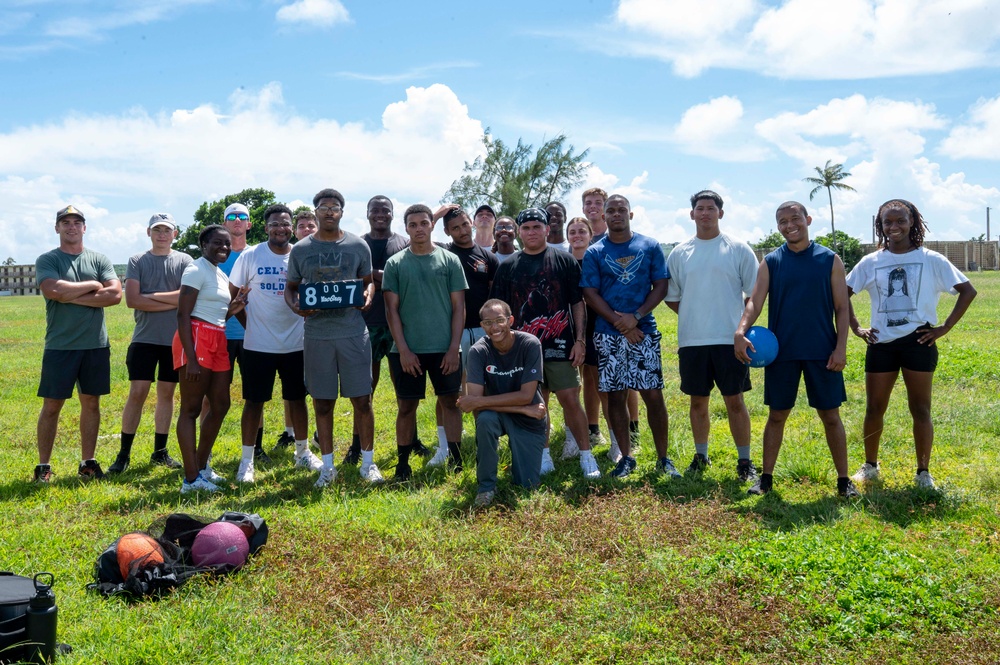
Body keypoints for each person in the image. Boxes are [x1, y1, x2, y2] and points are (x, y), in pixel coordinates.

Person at [847, 199, 976, 489]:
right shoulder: (872, 262)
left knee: (920, 409)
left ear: (913, 222)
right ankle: (870, 466)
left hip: (918, 341)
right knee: (873, 409)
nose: (894, 227)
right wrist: (856, 327)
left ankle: (923, 472)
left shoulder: (931, 259)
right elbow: (841, 295)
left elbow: (968, 291)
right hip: (881, 344)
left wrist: (944, 327)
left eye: (900, 221)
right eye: (887, 222)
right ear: (880, 226)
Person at [734, 201, 859, 498]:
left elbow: (842, 308)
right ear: (777, 226)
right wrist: (740, 330)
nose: (789, 225)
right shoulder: (772, 262)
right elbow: (755, 301)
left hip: (822, 351)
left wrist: (840, 348)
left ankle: (844, 481)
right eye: (782, 221)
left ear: (808, 220)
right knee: (777, 415)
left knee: (831, 416)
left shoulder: (830, 260)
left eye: (795, 219)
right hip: (782, 352)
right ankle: (765, 479)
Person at [492, 207, 600, 479]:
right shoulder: (508, 267)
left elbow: (577, 303)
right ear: (519, 232)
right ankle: (544, 454)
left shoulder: (564, 261)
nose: (531, 232)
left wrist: (579, 341)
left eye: (536, 227)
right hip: (524, 350)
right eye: (526, 227)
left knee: (570, 399)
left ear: (547, 230)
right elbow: (499, 311)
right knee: (538, 404)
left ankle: (587, 456)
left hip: (560, 344)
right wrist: (504, 347)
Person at [285, 188, 378, 486]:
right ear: (315, 212)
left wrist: (367, 297)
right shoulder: (300, 250)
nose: (328, 211)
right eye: (323, 207)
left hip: (352, 332)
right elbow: (291, 288)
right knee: (322, 403)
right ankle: (328, 467)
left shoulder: (358, 245)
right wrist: (296, 307)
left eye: (334, 207)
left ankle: (368, 463)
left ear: (341, 211)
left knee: (362, 400)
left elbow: (368, 283)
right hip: (317, 334)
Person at [665, 191, 759, 482]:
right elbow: (672, 297)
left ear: (721, 213)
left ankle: (744, 461)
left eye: (711, 208)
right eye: (699, 209)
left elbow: (754, 295)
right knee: (697, 402)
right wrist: (696, 314)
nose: (705, 213)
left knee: (735, 401)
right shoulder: (680, 253)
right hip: (692, 342)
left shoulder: (738, 249)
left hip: (730, 341)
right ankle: (700, 455)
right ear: (692, 214)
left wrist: (739, 329)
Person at [581, 194, 676, 479]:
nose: (617, 214)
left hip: (644, 331)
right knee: (614, 396)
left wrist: (635, 317)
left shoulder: (649, 246)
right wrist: (619, 321)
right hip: (608, 335)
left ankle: (663, 458)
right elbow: (589, 293)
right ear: (604, 217)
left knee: (653, 394)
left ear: (631, 215)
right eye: (611, 210)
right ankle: (626, 457)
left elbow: (660, 284)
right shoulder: (595, 252)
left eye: (622, 209)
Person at [229, 204, 323, 484]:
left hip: (296, 343)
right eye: (274, 224)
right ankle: (247, 461)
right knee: (254, 402)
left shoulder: (301, 254)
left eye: (285, 224)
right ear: (265, 227)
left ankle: (303, 452)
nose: (280, 228)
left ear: (292, 226)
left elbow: (311, 294)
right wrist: (251, 327)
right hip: (258, 345)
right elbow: (235, 298)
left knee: (297, 400)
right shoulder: (251, 254)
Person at [34, 205, 122, 483]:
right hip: (60, 346)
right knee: (51, 406)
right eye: (65, 222)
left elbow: (115, 295)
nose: (71, 227)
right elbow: (52, 289)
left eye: (77, 222)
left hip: (95, 345)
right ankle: (43, 466)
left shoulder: (99, 258)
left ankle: (87, 462)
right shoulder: (48, 259)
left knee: (91, 403)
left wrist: (70, 295)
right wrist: (93, 285)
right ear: (57, 227)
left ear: (85, 227)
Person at [383, 204, 467, 480]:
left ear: (432, 225)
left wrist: (454, 348)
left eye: (423, 223)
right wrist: (404, 350)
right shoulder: (395, 263)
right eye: (413, 225)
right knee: (407, 406)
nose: (419, 229)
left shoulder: (450, 260)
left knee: (450, 402)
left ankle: (456, 460)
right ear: (406, 229)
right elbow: (391, 311)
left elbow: (459, 308)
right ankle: (403, 463)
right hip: (407, 351)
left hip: (444, 349)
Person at [335, 195, 420, 466]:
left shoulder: (404, 243)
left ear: (393, 214)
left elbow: (408, 276)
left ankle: (413, 440)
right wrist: (379, 277)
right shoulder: (358, 244)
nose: (380, 214)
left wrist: (372, 276)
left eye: (385, 210)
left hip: (399, 324)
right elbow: (351, 278)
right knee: (364, 389)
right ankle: (357, 445)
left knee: (404, 388)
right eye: (375, 210)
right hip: (365, 323)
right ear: (368, 213)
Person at [108, 212, 192, 475]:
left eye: (167, 230)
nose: (162, 234)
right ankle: (123, 454)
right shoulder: (137, 260)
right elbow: (132, 300)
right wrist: (169, 299)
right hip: (144, 339)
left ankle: (160, 451)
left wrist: (150, 296)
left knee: (166, 395)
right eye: (157, 230)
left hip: (174, 340)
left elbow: (186, 298)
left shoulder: (184, 260)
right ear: (149, 233)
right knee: (138, 393)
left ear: (175, 234)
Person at [173, 225, 248, 493]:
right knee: (191, 409)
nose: (224, 248)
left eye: (227, 244)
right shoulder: (195, 269)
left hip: (218, 337)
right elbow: (183, 314)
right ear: (204, 244)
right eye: (218, 243)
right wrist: (191, 358)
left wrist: (233, 309)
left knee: (221, 404)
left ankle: (202, 466)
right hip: (196, 338)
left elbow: (217, 314)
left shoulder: (217, 272)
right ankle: (191, 479)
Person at [458, 299, 549, 507]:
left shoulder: (530, 343)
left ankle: (519, 465)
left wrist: (523, 406)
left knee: (526, 485)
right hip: (510, 414)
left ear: (511, 320)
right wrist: (524, 408)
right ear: (482, 326)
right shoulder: (477, 351)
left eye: (500, 320)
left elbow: (526, 395)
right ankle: (486, 487)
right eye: (488, 323)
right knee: (486, 421)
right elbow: (476, 405)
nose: (495, 327)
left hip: (527, 421)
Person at [579, 187, 639, 458]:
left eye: (597, 203)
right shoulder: (579, 237)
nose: (593, 207)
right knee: (593, 379)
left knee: (624, 380)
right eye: (588, 203)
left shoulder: (617, 237)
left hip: (624, 321)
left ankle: (631, 429)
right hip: (591, 321)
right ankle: (594, 428)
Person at [216, 202, 271, 464]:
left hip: (253, 336)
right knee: (213, 395)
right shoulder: (216, 254)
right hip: (220, 336)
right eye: (232, 217)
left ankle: (256, 448)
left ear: (249, 224)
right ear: (224, 222)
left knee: (254, 395)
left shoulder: (259, 254)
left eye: (242, 217)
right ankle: (207, 450)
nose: (237, 220)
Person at [275, 209, 319, 450]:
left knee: (315, 385)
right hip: (290, 331)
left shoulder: (323, 253)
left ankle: (316, 431)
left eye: (311, 226)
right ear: (294, 230)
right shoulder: (289, 255)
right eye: (301, 226)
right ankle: (290, 432)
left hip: (317, 331)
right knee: (291, 387)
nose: (306, 230)